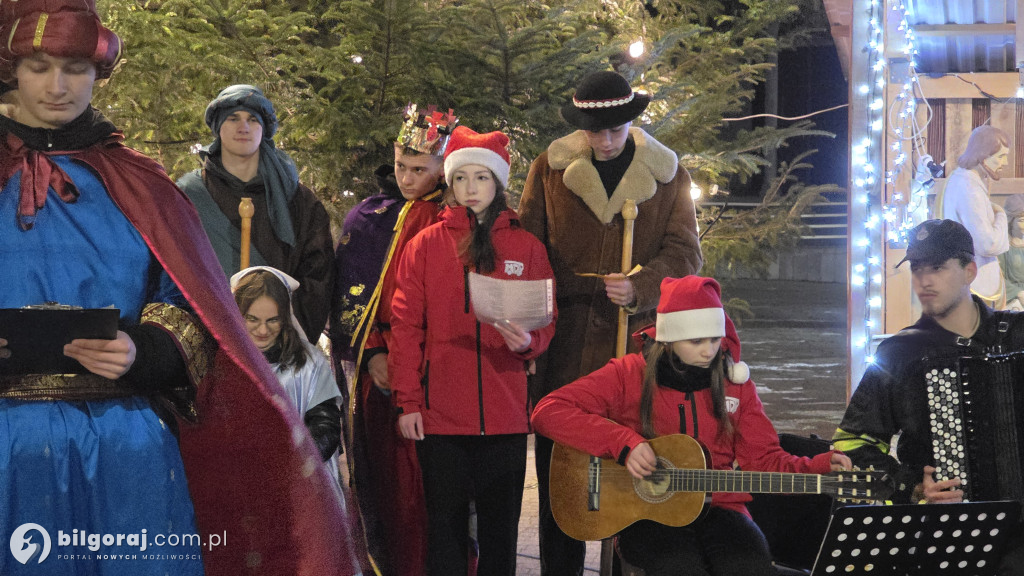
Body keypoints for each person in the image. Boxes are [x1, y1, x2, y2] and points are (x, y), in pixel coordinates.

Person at [0, 1, 358, 574]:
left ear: (98, 72)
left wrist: (145, 351)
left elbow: (190, 304)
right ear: (13, 68)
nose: (58, 86)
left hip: (124, 445)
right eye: (39, 67)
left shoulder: (139, 181)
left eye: (75, 68)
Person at [532, 275, 850, 576]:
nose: (708, 351)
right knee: (679, 566)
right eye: (696, 340)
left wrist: (820, 467)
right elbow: (548, 411)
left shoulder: (736, 384)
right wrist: (623, 443)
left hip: (722, 509)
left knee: (750, 564)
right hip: (646, 514)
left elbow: (764, 460)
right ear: (669, 339)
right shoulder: (628, 374)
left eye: (715, 339)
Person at [518, 69, 703, 574]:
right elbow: (528, 249)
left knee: (631, 482)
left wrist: (642, 286)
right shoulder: (549, 169)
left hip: (633, 349)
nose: (604, 141)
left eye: (614, 131)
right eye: (593, 131)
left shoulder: (668, 175)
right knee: (563, 479)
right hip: (566, 343)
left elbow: (686, 253)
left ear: (630, 123)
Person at [390, 126, 557, 575]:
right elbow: (405, 328)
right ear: (449, 182)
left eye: (481, 177)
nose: (471, 188)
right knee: (444, 533)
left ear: (497, 182)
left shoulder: (527, 247)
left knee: (501, 535)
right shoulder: (425, 246)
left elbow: (546, 318)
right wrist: (408, 402)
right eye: (461, 178)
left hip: (504, 418)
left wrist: (529, 343)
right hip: (440, 418)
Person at [833, 219, 1024, 573]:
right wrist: (912, 488)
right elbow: (850, 444)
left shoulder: (1016, 336)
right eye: (917, 269)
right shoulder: (900, 352)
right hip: (949, 533)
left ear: (969, 271)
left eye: (937, 268)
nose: (924, 280)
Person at [330, 103, 457, 575]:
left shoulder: (454, 218)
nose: (406, 178)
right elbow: (348, 292)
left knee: (436, 487)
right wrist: (373, 354)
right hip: (379, 370)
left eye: (419, 170)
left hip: (439, 370)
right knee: (387, 481)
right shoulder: (369, 217)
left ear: (443, 166)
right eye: (401, 166)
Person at [178, 84, 335, 341]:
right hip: (208, 340)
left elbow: (318, 276)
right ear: (218, 127)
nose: (244, 127)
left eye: (253, 119)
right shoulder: (188, 195)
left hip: (279, 342)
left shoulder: (299, 201)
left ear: (264, 128)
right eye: (233, 118)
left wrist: (279, 336)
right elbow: (175, 271)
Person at [231, 267, 343, 486]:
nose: (263, 330)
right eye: (253, 319)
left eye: (272, 320)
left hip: (297, 481)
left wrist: (299, 461)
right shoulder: (225, 360)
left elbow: (325, 425)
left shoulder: (310, 365)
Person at [938, 125, 1010, 308]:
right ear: (983, 156)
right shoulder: (970, 190)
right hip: (975, 282)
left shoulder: (960, 178)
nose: (1006, 163)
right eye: (1001, 156)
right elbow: (988, 244)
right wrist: (1001, 216)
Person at [999, 194, 1024, 308]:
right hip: (1014, 298)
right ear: (1011, 221)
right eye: (1021, 220)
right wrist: (1019, 293)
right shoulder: (1003, 247)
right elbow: (999, 278)